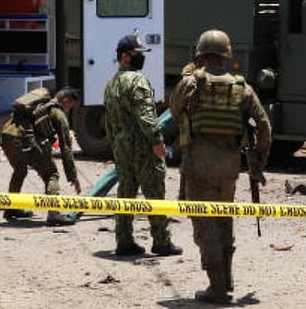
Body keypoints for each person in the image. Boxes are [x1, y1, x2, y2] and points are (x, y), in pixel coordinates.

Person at [169, 29, 271, 304]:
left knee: (205, 228)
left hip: (198, 168)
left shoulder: (190, 83)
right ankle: (226, 279)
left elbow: (175, 111)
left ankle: (216, 287)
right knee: (224, 222)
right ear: (226, 56)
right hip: (229, 170)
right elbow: (264, 127)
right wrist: (258, 163)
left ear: (201, 56)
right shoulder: (242, 87)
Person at [103, 34, 182, 257]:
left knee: (125, 194)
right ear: (124, 57)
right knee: (155, 192)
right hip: (142, 149)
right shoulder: (137, 81)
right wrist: (157, 141)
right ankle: (161, 241)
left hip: (122, 149)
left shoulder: (111, 83)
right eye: (137, 54)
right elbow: (146, 116)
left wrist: (115, 145)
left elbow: (108, 120)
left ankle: (124, 240)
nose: (141, 58)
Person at [1, 87, 82, 226]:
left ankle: (11, 208)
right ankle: (54, 214)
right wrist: (73, 177)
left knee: (20, 170)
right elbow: (66, 149)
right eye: (70, 107)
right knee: (51, 175)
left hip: (7, 136)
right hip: (24, 141)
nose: (68, 110)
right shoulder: (57, 113)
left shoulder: (38, 106)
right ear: (65, 100)